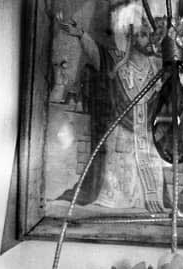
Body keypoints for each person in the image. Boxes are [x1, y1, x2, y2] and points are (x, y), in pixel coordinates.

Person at [55, 5, 166, 212]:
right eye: (142, 35)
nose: (149, 40)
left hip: (146, 136)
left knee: (147, 187)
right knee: (117, 183)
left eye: (149, 35)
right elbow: (97, 54)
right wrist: (80, 34)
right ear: (132, 39)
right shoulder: (117, 63)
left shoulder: (156, 69)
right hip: (121, 133)